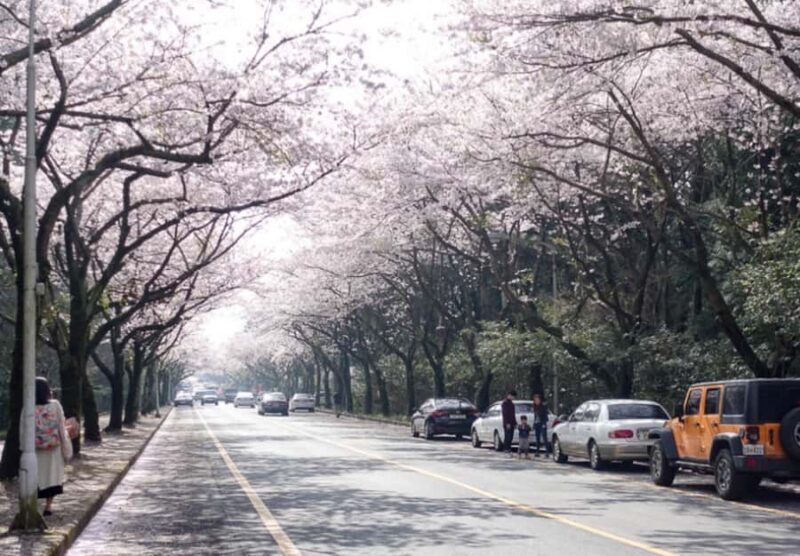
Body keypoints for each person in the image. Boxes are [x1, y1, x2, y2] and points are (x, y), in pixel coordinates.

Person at [34, 377, 72, 516]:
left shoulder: (29, 407)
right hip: (53, 448)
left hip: (35, 449)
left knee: (38, 476)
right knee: (53, 476)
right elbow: (61, 427)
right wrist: (66, 447)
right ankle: (48, 506)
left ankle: (34, 505)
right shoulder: (55, 405)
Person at [532, 393, 550, 458]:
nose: (536, 401)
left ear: (540, 400)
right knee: (537, 438)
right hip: (537, 423)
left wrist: (544, 424)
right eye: (535, 400)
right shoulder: (534, 406)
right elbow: (535, 416)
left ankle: (547, 452)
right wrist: (534, 424)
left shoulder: (543, 406)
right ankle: (537, 451)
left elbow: (545, 416)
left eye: (537, 399)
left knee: (544, 438)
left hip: (542, 423)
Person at [501, 389, 517, 457]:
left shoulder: (512, 404)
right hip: (507, 422)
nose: (513, 398)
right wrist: (507, 423)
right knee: (507, 436)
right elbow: (505, 414)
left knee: (511, 436)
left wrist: (515, 422)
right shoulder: (504, 403)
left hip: (512, 422)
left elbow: (513, 414)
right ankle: (506, 448)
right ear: (509, 395)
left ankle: (509, 448)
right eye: (512, 396)